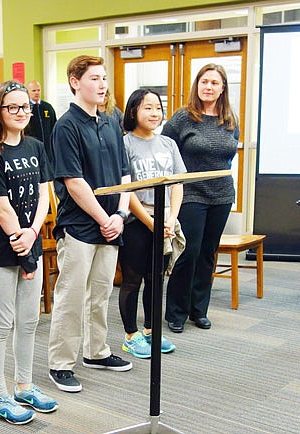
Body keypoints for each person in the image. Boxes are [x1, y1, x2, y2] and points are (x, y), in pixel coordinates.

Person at [47, 55, 132, 394]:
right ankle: (60, 363)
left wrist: (121, 216)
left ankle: (96, 351)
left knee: (100, 293)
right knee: (71, 296)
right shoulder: (66, 125)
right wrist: (104, 218)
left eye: (103, 78)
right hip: (81, 225)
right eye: (94, 78)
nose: (102, 85)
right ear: (75, 81)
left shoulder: (112, 120)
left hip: (112, 223)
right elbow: (73, 182)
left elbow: (126, 173)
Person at [0, 80, 57, 424]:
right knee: (1, 323)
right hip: (0, 248)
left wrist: (34, 233)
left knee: (28, 321)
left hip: (31, 242)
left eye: (26, 107)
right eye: (13, 107)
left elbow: (44, 194)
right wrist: (20, 241)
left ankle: (24, 384)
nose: (22, 113)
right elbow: (1, 206)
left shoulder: (36, 146)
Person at [163, 63, 239, 334]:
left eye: (214, 83)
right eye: (204, 82)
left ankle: (199, 309)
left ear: (222, 88)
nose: (209, 87)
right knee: (188, 252)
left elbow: (230, 152)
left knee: (208, 253)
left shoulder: (230, 119)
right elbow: (164, 149)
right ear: (197, 85)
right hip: (190, 193)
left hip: (222, 194)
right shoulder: (183, 117)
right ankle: (176, 311)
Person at [118, 89, 186, 359]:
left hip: (165, 218)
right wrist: (150, 222)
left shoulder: (168, 143)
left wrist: (170, 219)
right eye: (147, 107)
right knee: (133, 280)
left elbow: (177, 183)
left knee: (155, 279)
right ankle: (130, 336)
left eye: (158, 107)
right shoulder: (125, 144)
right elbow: (126, 189)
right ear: (133, 111)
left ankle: (150, 331)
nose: (154, 113)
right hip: (137, 219)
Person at [25, 80, 57, 161]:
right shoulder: (25, 108)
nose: (37, 93)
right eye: (34, 91)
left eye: (38, 90)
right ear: (28, 92)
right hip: (31, 150)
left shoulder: (48, 107)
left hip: (48, 151)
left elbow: (54, 127)